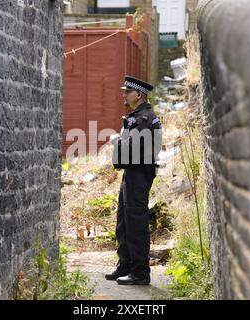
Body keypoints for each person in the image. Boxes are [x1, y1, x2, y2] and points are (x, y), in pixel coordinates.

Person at [106, 76, 162, 285]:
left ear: (138, 94)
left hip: (139, 173)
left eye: (127, 92)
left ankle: (140, 272)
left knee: (136, 221)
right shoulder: (138, 116)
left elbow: (135, 150)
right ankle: (126, 265)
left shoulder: (144, 118)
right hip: (132, 172)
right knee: (123, 220)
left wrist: (118, 143)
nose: (124, 95)